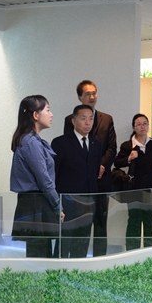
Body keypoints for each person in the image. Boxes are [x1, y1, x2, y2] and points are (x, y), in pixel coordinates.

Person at [64, 80, 116, 256]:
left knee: (100, 223)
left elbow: (111, 148)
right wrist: (90, 168)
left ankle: (99, 261)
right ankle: (76, 260)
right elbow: (70, 149)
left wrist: (100, 166)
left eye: (94, 93)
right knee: (77, 224)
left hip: (101, 182)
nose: (92, 97)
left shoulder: (107, 119)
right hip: (78, 185)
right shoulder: (69, 120)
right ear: (80, 97)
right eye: (88, 94)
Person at [10, 95, 65, 258]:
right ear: (35, 115)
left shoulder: (30, 140)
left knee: (40, 253)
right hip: (35, 204)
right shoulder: (31, 142)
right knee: (40, 256)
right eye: (47, 110)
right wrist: (58, 206)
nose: (51, 114)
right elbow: (44, 180)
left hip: (35, 203)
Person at [52, 105, 102, 258]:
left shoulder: (96, 144)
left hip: (88, 203)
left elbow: (94, 173)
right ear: (74, 121)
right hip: (68, 203)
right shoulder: (60, 143)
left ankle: (79, 268)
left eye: (91, 119)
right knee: (64, 241)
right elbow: (54, 174)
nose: (88, 122)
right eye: (83, 118)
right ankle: (58, 268)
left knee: (83, 241)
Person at [113, 114, 152, 250]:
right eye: (139, 124)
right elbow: (117, 162)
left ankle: (149, 252)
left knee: (150, 223)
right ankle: (131, 252)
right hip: (134, 190)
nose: (142, 126)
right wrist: (129, 158)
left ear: (148, 126)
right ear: (134, 127)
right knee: (134, 221)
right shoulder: (127, 145)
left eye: (145, 123)